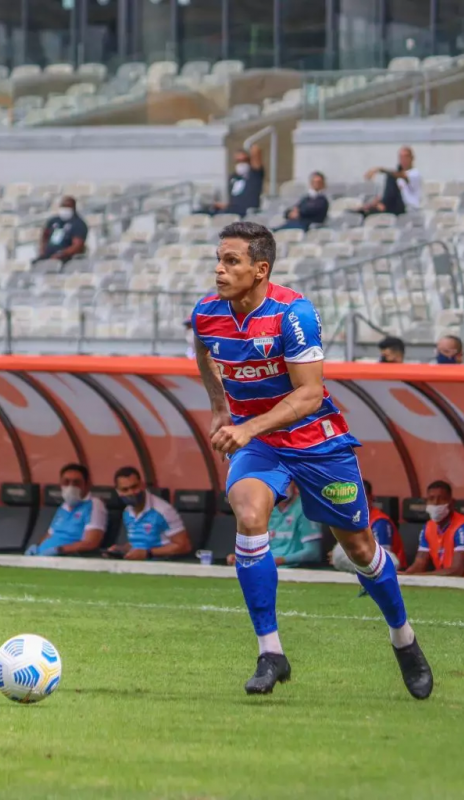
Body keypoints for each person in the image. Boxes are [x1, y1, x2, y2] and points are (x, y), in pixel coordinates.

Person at [191, 220, 432, 698]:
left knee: (361, 550)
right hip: (260, 445)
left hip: (316, 442)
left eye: (231, 261)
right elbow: (203, 347)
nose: (219, 270)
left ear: (261, 269)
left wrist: (244, 427)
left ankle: (403, 638)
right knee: (248, 511)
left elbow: (308, 395)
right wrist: (220, 405)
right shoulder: (206, 313)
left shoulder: (293, 314)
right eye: (218, 260)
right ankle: (270, 653)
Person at [402, 480, 464, 578]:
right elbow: (419, 564)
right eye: (431, 499)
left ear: (451, 503)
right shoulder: (428, 527)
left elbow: (457, 571)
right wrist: (403, 576)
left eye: (441, 499)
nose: (435, 503)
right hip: (445, 581)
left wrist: (421, 577)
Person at [104, 466, 191, 560]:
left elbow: (184, 546)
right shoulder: (127, 512)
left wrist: (149, 553)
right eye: (125, 489)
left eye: (134, 487)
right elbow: (138, 544)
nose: (131, 492)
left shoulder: (163, 510)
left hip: (161, 566)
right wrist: (122, 549)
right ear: (118, 492)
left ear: (142, 485)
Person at [228, 483, 321, 567]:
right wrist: (242, 557)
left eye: (287, 482)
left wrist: (280, 560)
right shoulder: (266, 508)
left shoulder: (306, 510)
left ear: (295, 484)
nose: (283, 486)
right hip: (265, 566)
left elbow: (313, 553)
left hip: (293, 569)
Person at [25, 463, 108, 556]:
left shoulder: (94, 504)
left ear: (87, 485)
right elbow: (50, 535)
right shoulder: (63, 507)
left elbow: (91, 543)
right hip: (42, 556)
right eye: (66, 482)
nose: (70, 486)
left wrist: (60, 549)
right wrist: (37, 546)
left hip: (65, 557)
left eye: (76, 482)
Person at [359, 146, 423, 217]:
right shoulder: (398, 176)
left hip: (408, 207)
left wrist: (377, 169)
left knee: (391, 177)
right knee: (367, 212)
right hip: (396, 205)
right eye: (401, 158)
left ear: (412, 158)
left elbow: (400, 176)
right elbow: (391, 192)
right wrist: (375, 202)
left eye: (406, 157)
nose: (403, 160)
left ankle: (384, 205)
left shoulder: (415, 173)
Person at [205, 144, 266, 218]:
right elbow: (233, 201)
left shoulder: (254, 175)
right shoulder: (233, 178)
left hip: (246, 212)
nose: (241, 163)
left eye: (244, 160)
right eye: (238, 161)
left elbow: (256, 150)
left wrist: (250, 147)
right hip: (231, 210)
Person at [37, 195, 88, 263]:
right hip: (48, 255)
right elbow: (45, 235)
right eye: (63, 206)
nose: (64, 209)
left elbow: (77, 245)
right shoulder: (53, 220)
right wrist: (42, 250)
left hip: (66, 258)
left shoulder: (78, 224)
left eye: (67, 207)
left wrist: (61, 254)